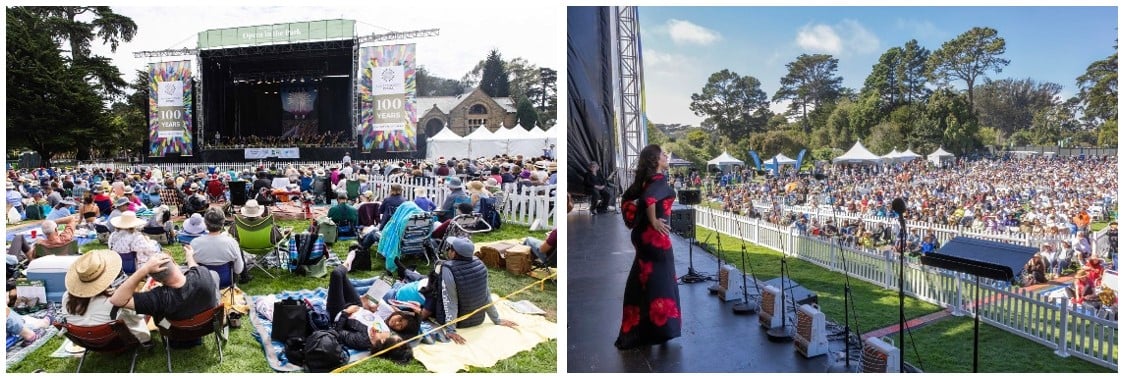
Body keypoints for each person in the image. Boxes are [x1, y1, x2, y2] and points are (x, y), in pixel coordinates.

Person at [614, 144, 681, 350]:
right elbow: (649, 198)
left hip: (643, 237)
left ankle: (636, 332)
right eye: (663, 155)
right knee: (661, 283)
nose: (666, 157)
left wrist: (643, 218)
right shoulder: (657, 180)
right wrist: (653, 220)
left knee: (641, 283)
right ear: (655, 160)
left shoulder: (644, 181)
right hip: (656, 239)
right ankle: (659, 331)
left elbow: (627, 198)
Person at [109, 251, 219, 348]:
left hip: (174, 331)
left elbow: (117, 300)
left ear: (156, 280)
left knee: (159, 317)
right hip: (208, 325)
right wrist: (190, 256)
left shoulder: (157, 298)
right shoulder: (203, 275)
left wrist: (144, 269)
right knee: (214, 276)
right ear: (175, 264)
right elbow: (194, 267)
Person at [423, 237, 517, 345]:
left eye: (450, 248)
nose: (448, 250)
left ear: (454, 253)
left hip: (457, 322)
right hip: (478, 320)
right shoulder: (480, 264)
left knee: (424, 285)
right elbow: (486, 296)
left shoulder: (448, 269)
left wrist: (450, 330)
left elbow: (450, 302)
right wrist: (496, 319)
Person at [62, 250, 152, 344]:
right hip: (122, 341)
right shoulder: (116, 301)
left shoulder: (66, 297)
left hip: (86, 341)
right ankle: (160, 333)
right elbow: (139, 316)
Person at [325, 266, 421, 341]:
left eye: (400, 326)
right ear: (400, 314)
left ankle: (347, 264)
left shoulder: (386, 332)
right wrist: (418, 313)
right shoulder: (390, 311)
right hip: (358, 303)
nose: (396, 323)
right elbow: (366, 300)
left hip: (343, 313)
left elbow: (411, 335)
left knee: (337, 274)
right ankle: (346, 271)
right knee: (385, 281)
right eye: (399, 319)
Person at [187, 208, 245, 279]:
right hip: (226, 281)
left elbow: (192, 268)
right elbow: (238, 270)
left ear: (205, 223)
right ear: (223, 222)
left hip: (203, 281)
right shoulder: (232, 243)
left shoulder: (194, 243)